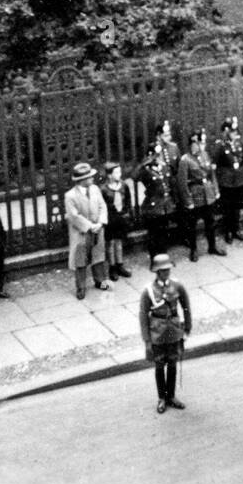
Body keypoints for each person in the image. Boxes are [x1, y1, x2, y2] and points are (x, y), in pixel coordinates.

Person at [139, 254, 191, 413]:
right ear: (157, 272)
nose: (166, 272)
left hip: (174, 330)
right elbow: (143, 314)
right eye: (163, 270)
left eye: (168, 269)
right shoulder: (148, 291)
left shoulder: (177, 286)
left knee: (173, 363)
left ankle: (172, 396)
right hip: (158, 332)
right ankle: (162, 397)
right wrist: (147, 340)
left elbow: (186, 307)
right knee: (160, 365)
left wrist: (187, 328)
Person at [175, 129, 222, 260]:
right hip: (196, 195)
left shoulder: (205, 155)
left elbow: (211, 174)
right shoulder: (185, 160)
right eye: (199, 143)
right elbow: (182, 183)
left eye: (202, 143)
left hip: (208, 193)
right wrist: (188, 201)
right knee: (192, 225)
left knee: (210, 222)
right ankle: (193, 250)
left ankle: (212, 247)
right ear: (192, 144)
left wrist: (216, 190)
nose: (202, 146)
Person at [64, 162, 109, 299]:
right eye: (89, 177)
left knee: (98, 256)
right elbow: (73, 216)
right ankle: (81, 287)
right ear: (82, 180)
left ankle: (100, 281)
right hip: (81, 232)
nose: (92, 179)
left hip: (97, 229)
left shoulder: (95, 189)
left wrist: (101, 222)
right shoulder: (70, 196)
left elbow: (102, 206)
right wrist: (90, 226)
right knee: (80, 260)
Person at [134, 134, 175, 261]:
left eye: (160, 155)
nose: (159, 157)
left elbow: (169, 181)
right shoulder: (146, 170)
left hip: (165, 206)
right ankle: (154, 259)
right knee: (153, 235)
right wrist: (145, 162)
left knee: (164, 232)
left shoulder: (163, 167)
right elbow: (134, 177)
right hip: (153, 207)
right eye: (156, 156)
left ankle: (163, 257)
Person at [213, 117, 243, 242]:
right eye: (232, 132)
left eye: (235, 131)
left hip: (239, 179)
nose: (235, 134)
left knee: (237, 206)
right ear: (226, 132)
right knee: (227, 207)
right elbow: (215, 165)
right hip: (226, 181)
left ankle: (236, 229)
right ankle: (228, 231)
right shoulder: (220, 145)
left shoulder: (239, 143)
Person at [100, 163, 134, 278]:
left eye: (120, 172)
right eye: (116, 172)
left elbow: (128, 201)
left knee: (119, 242)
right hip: (110, 220)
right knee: (110, 243)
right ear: (109, 175)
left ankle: (120, 265)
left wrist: (128, 213)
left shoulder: (124, 185)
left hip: (121, 218)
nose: (119, 174)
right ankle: (112, 267)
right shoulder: (104, 189)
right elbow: (102, 206)